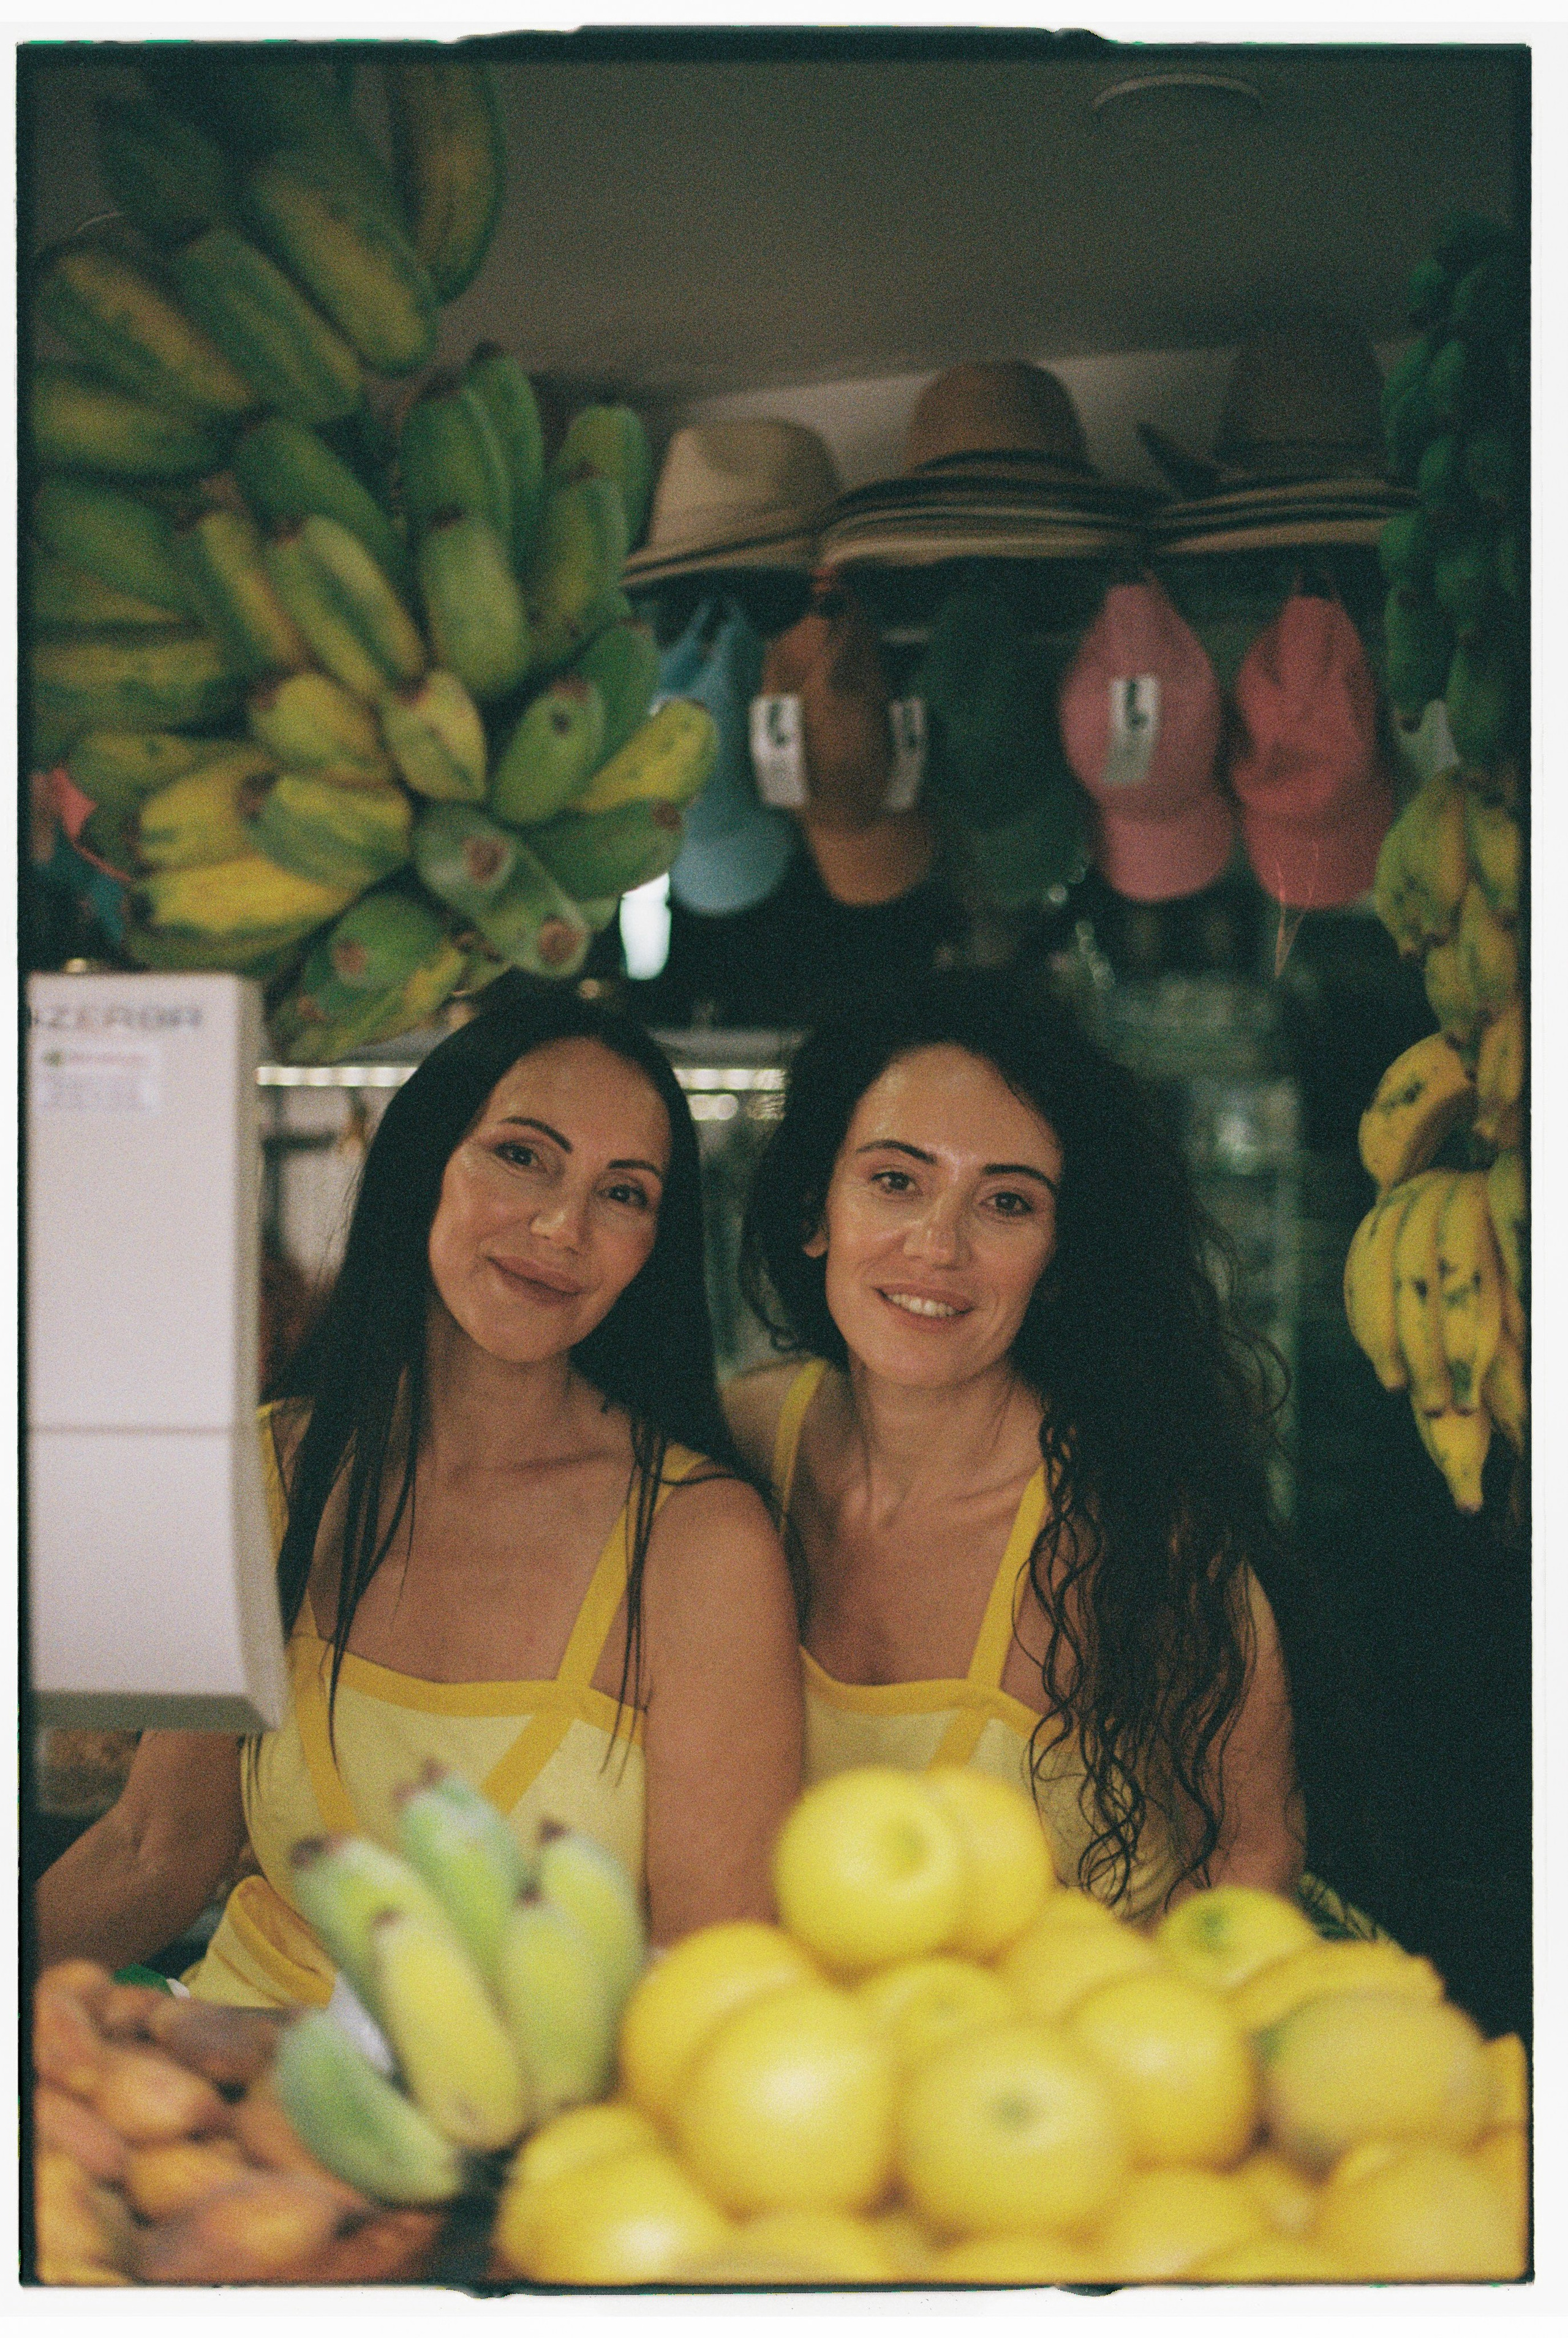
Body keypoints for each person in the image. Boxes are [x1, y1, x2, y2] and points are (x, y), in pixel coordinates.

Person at [37, 992, 805, 2001]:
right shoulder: (278, 1468)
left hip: (533, 2129)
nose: (562, 1223)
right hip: (226, 2091)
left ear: (651, 1248)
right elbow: (151, 1848)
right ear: (426, 1162)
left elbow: (713, 1968)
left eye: (625, 1193)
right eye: (522, 1154)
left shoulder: (699, 1540)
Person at [726, 971, 1305, 1924]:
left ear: (1059, 1258)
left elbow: (1256, 1850)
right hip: (808, 2059)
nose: (937, 1245)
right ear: (812, 1210)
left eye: (1006, 1204)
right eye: (896, 1180)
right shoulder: (741, 1445)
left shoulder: (1141, 1536)